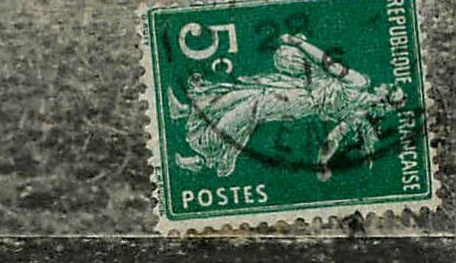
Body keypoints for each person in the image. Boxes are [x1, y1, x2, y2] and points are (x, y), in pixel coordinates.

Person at [167, 33, 403, 180]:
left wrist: (299, 42)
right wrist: (322, 163)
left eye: (388, 88)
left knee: (249, 109)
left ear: (384, 97)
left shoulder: (359, 94)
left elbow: (326, 63)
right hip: (300, 86)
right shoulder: (360, 102)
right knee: (245, 91)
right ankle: (187, 110)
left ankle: (203, 158)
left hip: (300, 101)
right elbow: (333, 138)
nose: (384, 86)